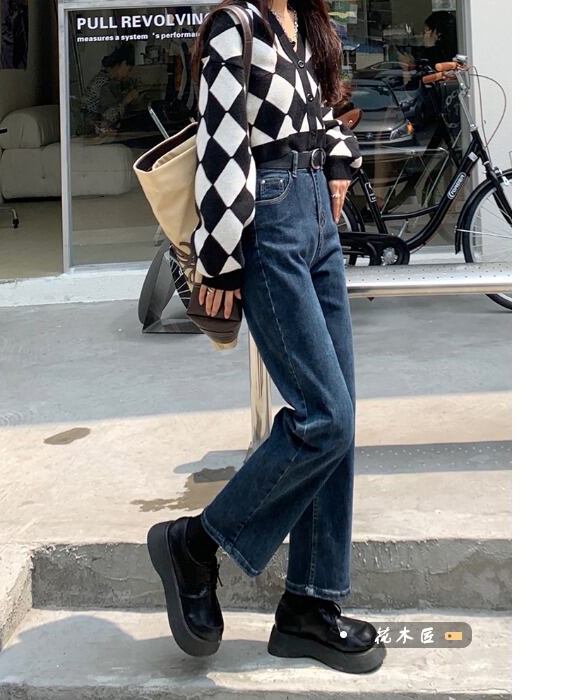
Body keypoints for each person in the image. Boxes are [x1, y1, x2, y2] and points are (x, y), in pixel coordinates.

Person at [146, 0, 386, 674]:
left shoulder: (305, 26)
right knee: (324, 416)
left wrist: (339, 161)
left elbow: (320, 113)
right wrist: (222, 259)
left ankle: (310, 605)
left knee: (339, 419)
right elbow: (222, 142)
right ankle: (196, 544)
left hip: (318, 225)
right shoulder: (237, 25)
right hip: (270, 223)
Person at [80, 43, 140, 135]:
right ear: (123, 64)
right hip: (93, 131)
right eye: (129, 70)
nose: (128, 75)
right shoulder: (105, 84)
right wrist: (126, 100)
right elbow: (109, 117)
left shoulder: (106, 78)